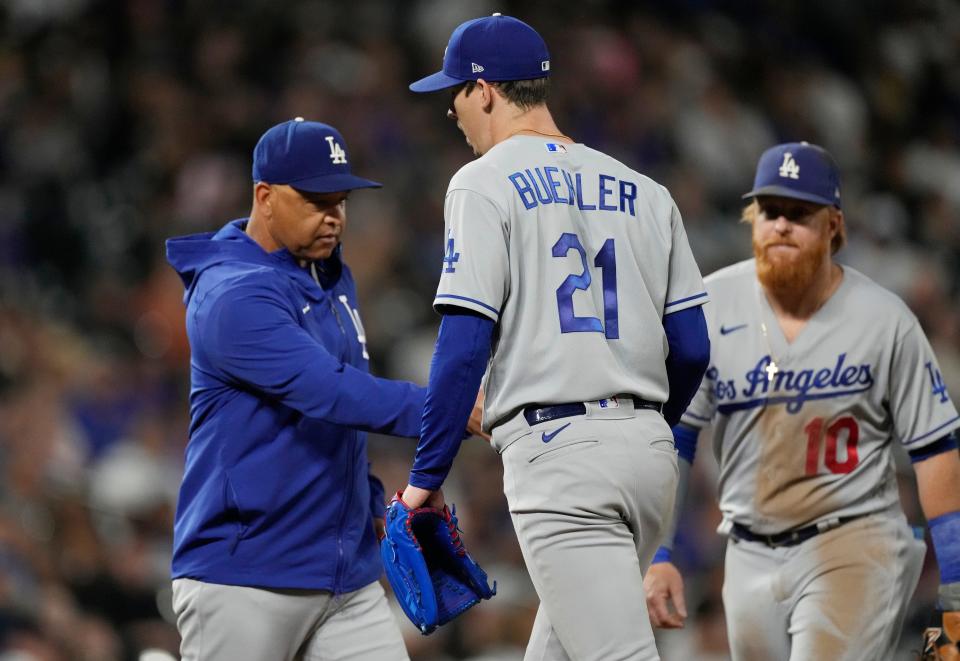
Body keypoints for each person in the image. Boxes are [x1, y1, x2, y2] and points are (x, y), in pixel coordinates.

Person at [399, 14, 711, 660]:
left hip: (563, 459)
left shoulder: (481, 182)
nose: (452, 112)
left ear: (484, 90)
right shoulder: (647, 191)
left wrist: (423, 478)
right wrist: (646, 423)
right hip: (649, 456)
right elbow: (692, 347)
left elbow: (463, 344)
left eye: (454, 94)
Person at [644, 141, 960, 660]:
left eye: (799, 213)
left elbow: (933, 451)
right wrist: (659, 552)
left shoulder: (884, 319)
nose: (782, 225)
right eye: (770, 212)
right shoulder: (711, 304)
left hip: (856, 538)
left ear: (834, 224)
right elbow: (675, 437)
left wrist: (953, 589)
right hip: (748, 550)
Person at [164, 118, 465, 661]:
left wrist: (369, 502)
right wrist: (455, 408)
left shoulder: (327, 273)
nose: (333, 216)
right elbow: (332, 393)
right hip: (246, 576)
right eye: (314, 200)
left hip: (345, 576)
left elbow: (333, 422)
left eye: (340, 200)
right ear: (265, 196)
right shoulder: (233, 295)